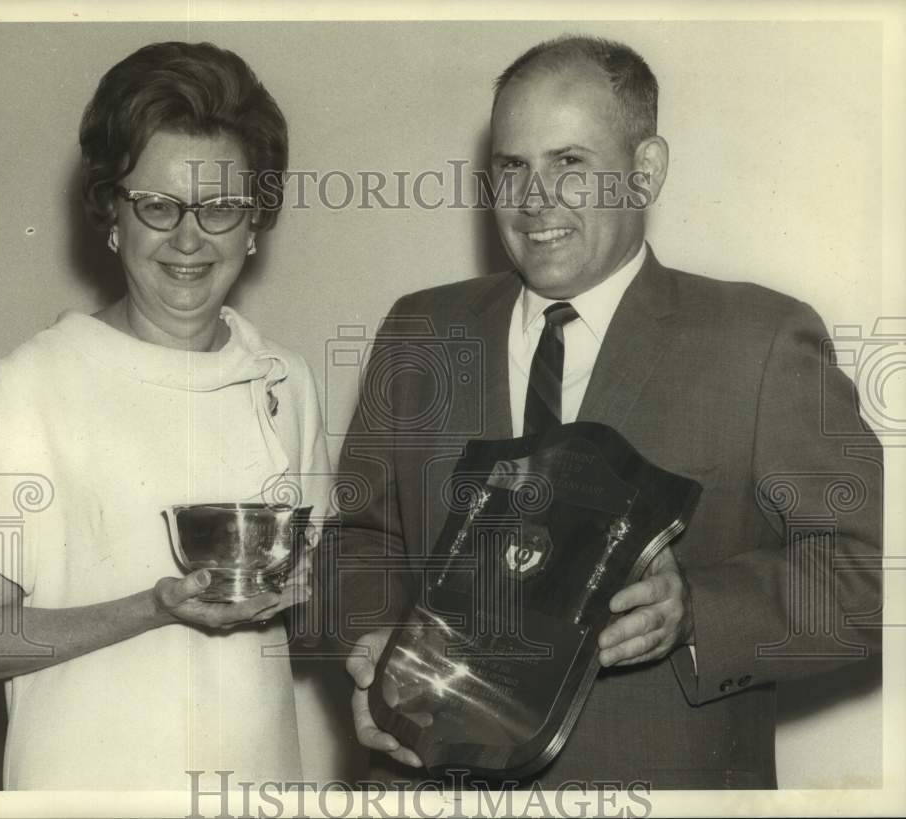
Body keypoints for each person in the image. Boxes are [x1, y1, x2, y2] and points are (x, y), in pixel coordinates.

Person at [336, 35, 883, 789]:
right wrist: (373, 647)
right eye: (512, 166)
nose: (534, 201)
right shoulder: (419, 331)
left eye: (570, 163)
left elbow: (867, 578)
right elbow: (360, 539)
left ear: (645, 170)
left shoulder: (759, 341)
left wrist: (695, 609)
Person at [0, 41, 333, 790]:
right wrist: (156, 606)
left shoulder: (288, 381)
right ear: (112, 215)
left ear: (255, 223)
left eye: (219, 207)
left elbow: (309, 601)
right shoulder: (36, 384)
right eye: (157, 205)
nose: (190, 239)